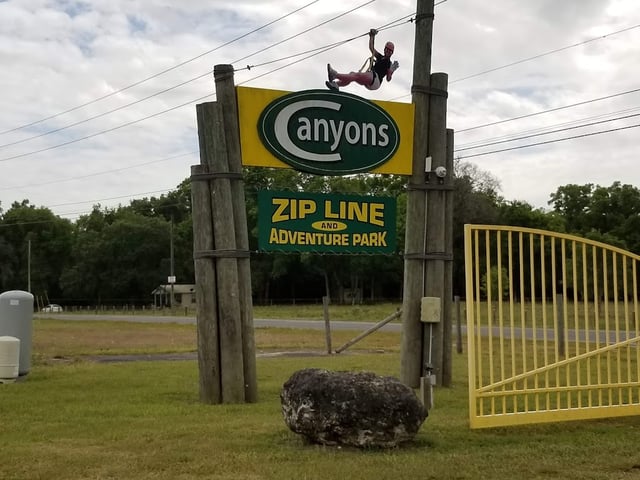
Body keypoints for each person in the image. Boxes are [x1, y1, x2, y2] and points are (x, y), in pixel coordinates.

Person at [326, 29, 399, 91]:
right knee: (352, 75)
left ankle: (335, 75)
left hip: (376, 80)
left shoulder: (389, 63)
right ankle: (336, 85)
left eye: (390, 50)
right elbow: (371, 48)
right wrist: (372, 36)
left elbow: (388, 79)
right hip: (372, 78)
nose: (388, 51)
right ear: (384, 49)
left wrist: (391, 71)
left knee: (355, 76)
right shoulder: (380, 57)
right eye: (387, 49)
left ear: (392, 53)